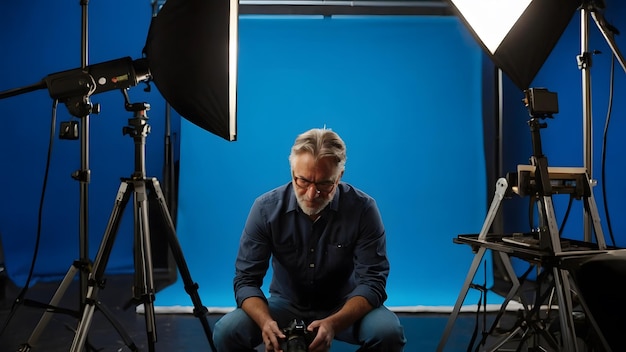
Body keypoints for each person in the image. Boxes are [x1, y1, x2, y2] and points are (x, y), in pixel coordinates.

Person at [212, 128, 406, 352]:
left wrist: (334, 323)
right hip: (283, 305)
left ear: (339, 176)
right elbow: (246, 280)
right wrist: (265, 322)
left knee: (387, 333)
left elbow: (373, 282)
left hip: (345, 305)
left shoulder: (363, 209)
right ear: (292, 171)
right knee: (226, 332)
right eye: (303, 181)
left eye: (324, 184)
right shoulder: (265, 209)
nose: (312, 194)